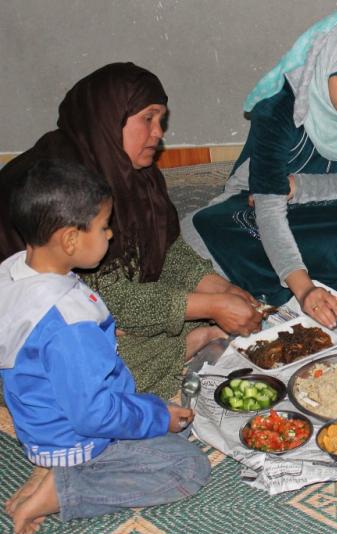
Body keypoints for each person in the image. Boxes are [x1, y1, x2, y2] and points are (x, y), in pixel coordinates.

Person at [0, 63, 263, 400]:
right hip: (31, 325)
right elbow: (110, 299)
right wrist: (209, 307)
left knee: (205, 309)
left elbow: (162, 246)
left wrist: (216, 286)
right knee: (101, 370)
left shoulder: (131, 171)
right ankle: (190, 344)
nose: (158, 133)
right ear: (110, 117)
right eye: (147, 119)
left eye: (161, 121)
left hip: (93, 298)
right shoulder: (67, 187)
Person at [0, 160, 210, 533]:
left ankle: (52, 469)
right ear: (69, 240)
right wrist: (157, 416)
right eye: (103, 226)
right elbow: (95, 415)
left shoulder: (15, 269)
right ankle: (64, 490)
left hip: (42, 412)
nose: (110, 234)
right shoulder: (70, 327)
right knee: (188, 463)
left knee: (167, 416)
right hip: (76, 436)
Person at [183, 10, 337, 329]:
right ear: (324, 65)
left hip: (325, 207)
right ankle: (313, 274)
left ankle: (270, 275)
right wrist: (305, 292)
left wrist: (299, 188)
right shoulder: (280, 104)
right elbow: (270, 210)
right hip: (254, 205)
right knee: (199, 227)